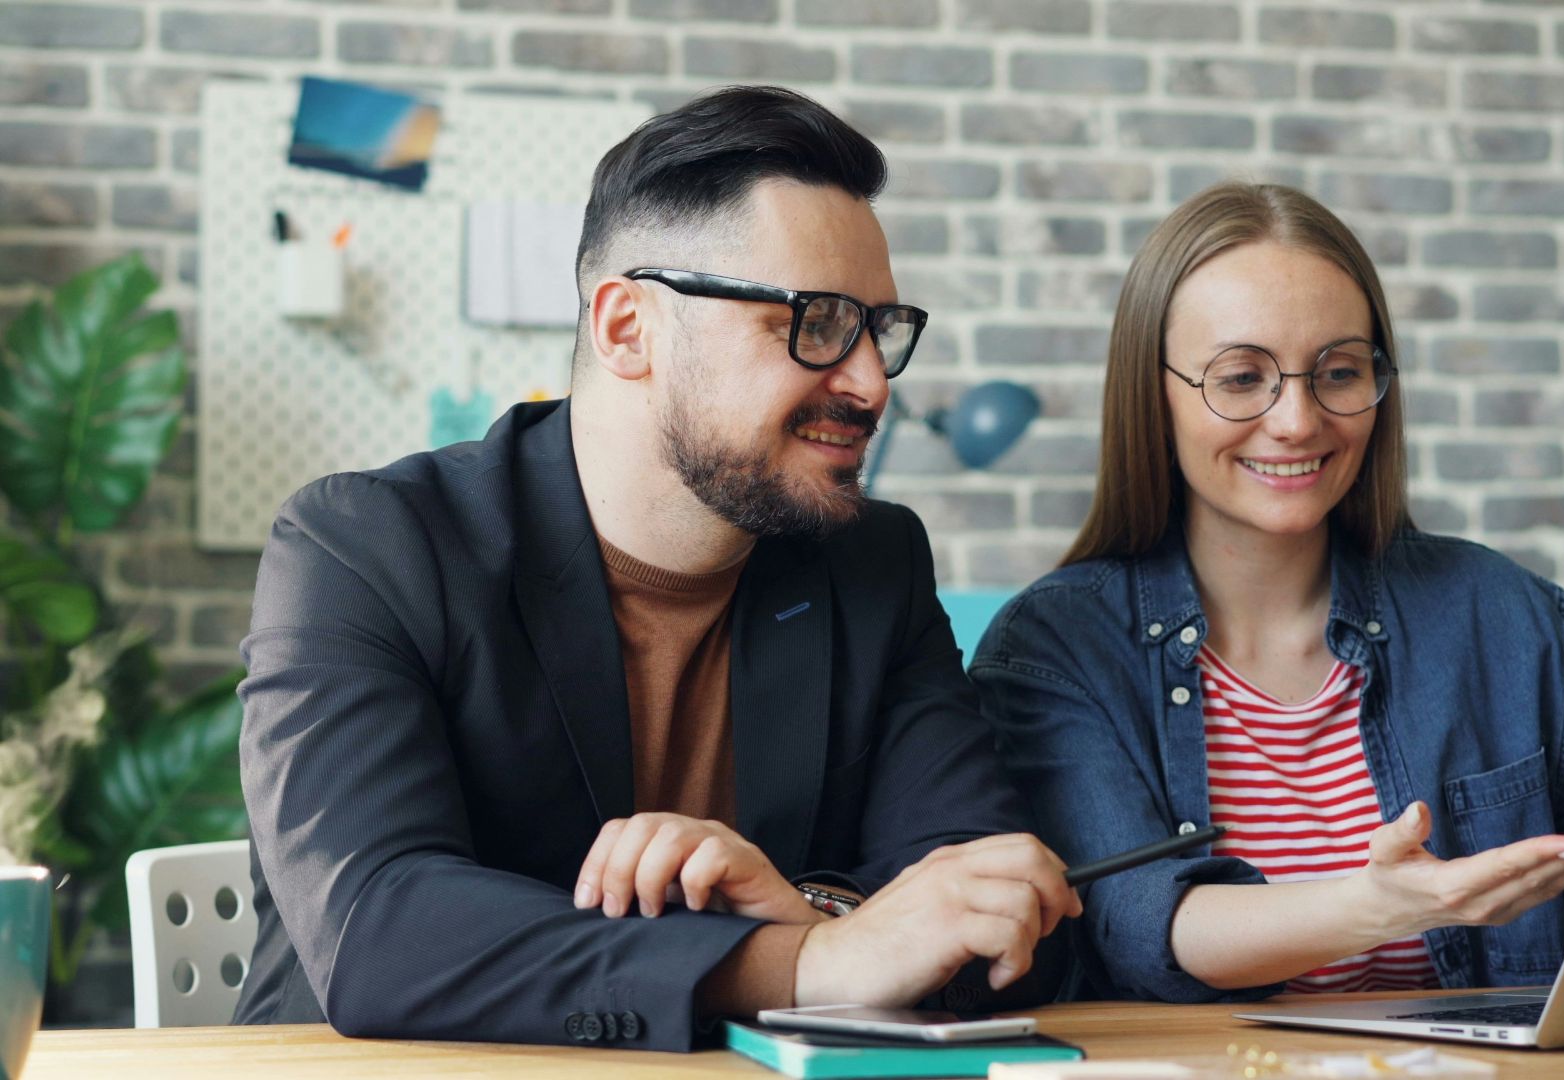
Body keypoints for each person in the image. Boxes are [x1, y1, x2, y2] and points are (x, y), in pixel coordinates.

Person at [233, 85, 1077, 1051]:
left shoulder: (869, 565)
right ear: (628, 327)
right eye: (814, 321)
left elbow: (1000, 912)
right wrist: (807, 962)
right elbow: (380, 930)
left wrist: (805, 911)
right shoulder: (366, 548)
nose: (870, 381)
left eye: (877, 329)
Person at [969, 182, 1564, 1004]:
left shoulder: (1512, 617)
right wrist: (1376, 908)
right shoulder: (1054, 648)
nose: (1296, 420)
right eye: (1241, 377)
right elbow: (1140, 923)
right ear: (1154, 395)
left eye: (1338, 371)